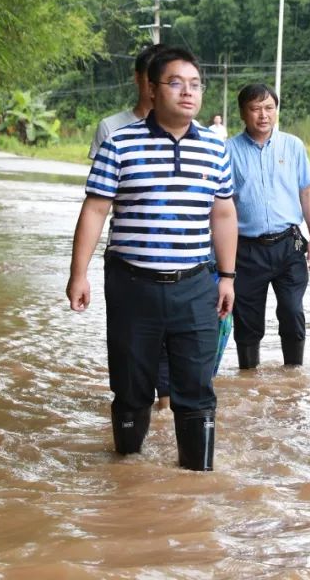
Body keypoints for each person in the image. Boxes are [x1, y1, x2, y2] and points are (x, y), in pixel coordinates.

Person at [66, 47, 237, 471]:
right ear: (152, 88)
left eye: (195, 84)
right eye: (176, 83)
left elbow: (224, 212)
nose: (187, 92)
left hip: (196, 284)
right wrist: (78, 273)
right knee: (131, 384)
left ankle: (196, 481)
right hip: (132, 285)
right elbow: (95, 209)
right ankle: (128, 475)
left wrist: (228, 277)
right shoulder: (120, 144)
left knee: (196, 387)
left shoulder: (215, 149)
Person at [87, 43, 172, 411]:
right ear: (141, 80)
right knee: (132, 342)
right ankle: (132, 408)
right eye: (154, 78)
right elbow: (98, 201)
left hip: (181, 258)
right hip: (130, 256)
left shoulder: (195, 133)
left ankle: (166, 408)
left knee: (173, 340)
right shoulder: (113, 129)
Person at [226, 83, 310, 369]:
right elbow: (223, 206)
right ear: (243, 112)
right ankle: (248, 377)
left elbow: (307, 191)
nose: (263, 115)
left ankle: (293, 376)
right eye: (255, 108)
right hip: (246, 250)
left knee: (292, 311)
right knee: (247, 319)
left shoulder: (292, 146)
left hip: (288, 245)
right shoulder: (228, 150)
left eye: (269, 108)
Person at [88, 43, 164, 160]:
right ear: (137, 78)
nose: (157, 84)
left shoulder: (185, 132)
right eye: (151, 77)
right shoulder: (109, 128)